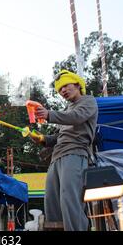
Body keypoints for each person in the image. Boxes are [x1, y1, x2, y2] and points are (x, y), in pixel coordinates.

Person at [30, 70, 98, 231]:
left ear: (77, 84)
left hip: (75, 153)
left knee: (70, 198)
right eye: (60, 90)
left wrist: (49, 114)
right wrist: (42, 139)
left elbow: (76, 117)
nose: (63, 91)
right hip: (56, 157)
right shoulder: (67, 110)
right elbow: (59, 137)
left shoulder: (88, 101)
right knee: (51, 201)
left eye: (65, 86)